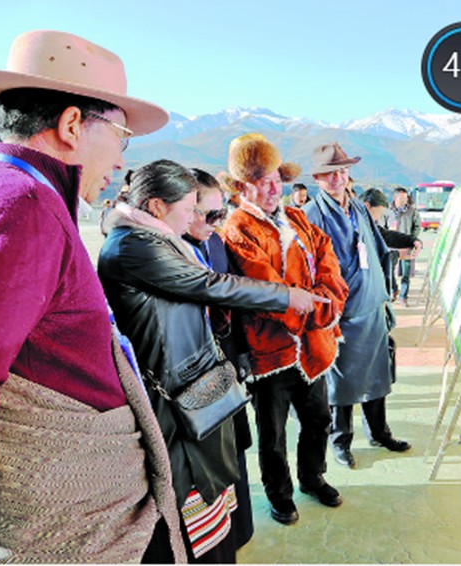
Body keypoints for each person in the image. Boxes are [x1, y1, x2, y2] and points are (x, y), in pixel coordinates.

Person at [0, 30, 186, 563]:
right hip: (62, 520)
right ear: (72, 124)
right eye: (121, 135)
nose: (120, 160)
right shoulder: (23, 202)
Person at [98, 159, 329, 562]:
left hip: (192, 381)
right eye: (190, 209)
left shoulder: (152, 238)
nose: (195, 219)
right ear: (157, 206)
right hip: (174, 393)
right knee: (190, 496)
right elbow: (209, 284)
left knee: (211, 495)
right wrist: (286, 296)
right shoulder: (134, 246)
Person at [222, 134, 349, 525]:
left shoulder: (297, 218)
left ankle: (313, 477)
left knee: (318, 419)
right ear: (243, 187)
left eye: (277, 179)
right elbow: (265, 287)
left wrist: (325, 301)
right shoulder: (237, 228)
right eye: (263, 181)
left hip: (313, 345)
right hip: (270, 351)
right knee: (272, 433)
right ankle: (280, 494)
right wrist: (318, 310)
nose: (273, 188)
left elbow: (328, 260)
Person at [303, 142, 410, 470]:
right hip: (341, 314)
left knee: (378, 374)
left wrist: (404, 252)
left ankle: (379, 432)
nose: (338, 178)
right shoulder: (311, 215)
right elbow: (307, 268)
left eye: (343, 171)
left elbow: (377, 244)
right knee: (341, 383)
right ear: (317, 178)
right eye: (330, 173)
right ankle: (340, 441)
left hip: (371, 305)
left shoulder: (359, 208)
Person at [184, 167, 254, 549]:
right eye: (210, 215)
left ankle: (240, 526)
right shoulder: (169, 251)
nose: (216, 223)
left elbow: (234, 298)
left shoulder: (214, 242)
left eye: (221, 213)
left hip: (224, 358)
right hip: (194, 374)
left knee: (236, 445)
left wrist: (241, 352)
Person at [382, 187, 422, 306]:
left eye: (406, 198)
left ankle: (403, 297)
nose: (404, 201)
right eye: (402, 198)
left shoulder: (412, 211)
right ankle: (393, 290)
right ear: (395, 198)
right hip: (391, 247)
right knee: (389, 271)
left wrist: (412, 240)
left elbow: (417, 226)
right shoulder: (387, 211)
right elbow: (382, 229)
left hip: (407, 247)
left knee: (406, 273)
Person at [362, 188, 423, 257]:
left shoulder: (366, 225)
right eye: (378, 213)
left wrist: (412, 240)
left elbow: (384, 235)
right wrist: (397, 255)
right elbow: (370, 258)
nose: (378, 218)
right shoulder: (356, 228)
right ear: (367, 206)